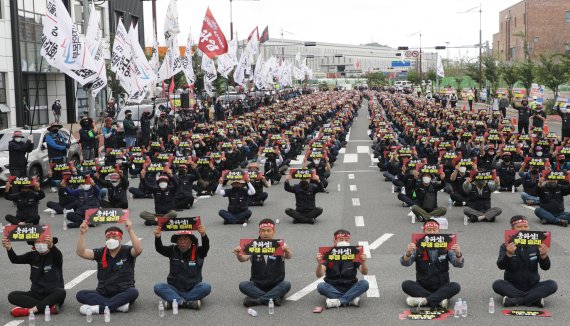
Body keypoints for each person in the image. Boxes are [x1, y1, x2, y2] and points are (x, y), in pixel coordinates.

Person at [75, 219, 142, 315]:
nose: (111, 239)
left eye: (114, 236)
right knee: (81, 294)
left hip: (123, 291)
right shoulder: (100, 252)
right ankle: (117, 306)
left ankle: (99, 309)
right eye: (108, 237)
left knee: (133, 292)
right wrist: (82, 234)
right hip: (103, 292)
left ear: (120, 238)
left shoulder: (127, 251)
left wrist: (130, 230)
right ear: (105, 239)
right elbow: (81, 252)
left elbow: (138, 250)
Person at [492, 215, 558, 307]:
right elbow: (500, 266)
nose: (523, 229)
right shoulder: (506, 245)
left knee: (552, 284)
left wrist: (544, 256)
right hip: (512, 285)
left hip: (532, 286)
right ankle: (534, 299)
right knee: (497, 284)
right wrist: (509, 254)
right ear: (512, 229)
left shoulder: (536, 244)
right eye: (519, 227)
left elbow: (545, 267)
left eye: (526, 226)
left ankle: (515, 300)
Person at [401, 220, 464, 309]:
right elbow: (405, 263)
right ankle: (439, 300)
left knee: (455, 286)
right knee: (406, 284)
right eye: (429, 229)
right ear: (424, 231)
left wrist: (458, 254)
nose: (432, 232)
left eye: (434, 229)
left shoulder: (447, 245)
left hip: (441, 286)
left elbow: (458, 264)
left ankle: (424, 301)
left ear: (439, 231)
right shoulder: (417, 246)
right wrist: (408, 253)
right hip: (423, 286)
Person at [232, 219, 292, 307]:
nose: (266, 233)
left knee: (286, 284)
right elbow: (243, 259)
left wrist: (287, 251)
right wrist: (238, 254)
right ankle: (273, 298)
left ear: (273, 232)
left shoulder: (280, 244)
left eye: (268, 231)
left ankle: (259, 300)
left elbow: (288, 256)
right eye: (263, 231)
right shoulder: (253, 244)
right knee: (243, 285)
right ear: (259, 232)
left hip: (276, 284)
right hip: (257, 284)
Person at [3, 235, 65, 317]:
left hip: (52, 294)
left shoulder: (55, 255)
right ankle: (48, 308)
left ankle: (31, 310)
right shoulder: (32, 255)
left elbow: (58, 255)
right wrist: (9, 248)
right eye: (37, 242)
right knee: (12, 296)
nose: (40, 244)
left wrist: (51, 246)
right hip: (36, 294)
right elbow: (15, 259)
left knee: (61, 292)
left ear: (49, 243)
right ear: (34, 244)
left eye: (43, 241)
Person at [153, 226, 210, 310]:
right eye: (180, 240)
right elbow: (159, 248)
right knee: (158, 287)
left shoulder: (198, 251)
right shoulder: (172, 250)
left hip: (193, 289)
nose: (182, 242)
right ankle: (186, 302)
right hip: (175, 289)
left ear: (191, 241)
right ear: (176, 242)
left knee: (206, 287)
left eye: (185, 239)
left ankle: (174, 301)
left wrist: (203, 235)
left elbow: (206, 247)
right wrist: (157, 236)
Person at [316, 230, 369, 308]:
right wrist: (319, 263)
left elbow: (364, 272)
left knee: (365, 283)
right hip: (333, 286)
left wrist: (363, 262)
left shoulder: (353, 252)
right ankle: (350, 299)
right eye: (341, 240)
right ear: (335, 241)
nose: (344, 241)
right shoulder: (328, 253)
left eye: (346, 240)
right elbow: (319, 274)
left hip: (350, 286)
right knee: (321, 286)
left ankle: (338, 301)